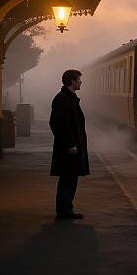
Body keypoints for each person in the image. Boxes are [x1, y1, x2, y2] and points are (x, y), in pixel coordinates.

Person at [49, 69, 89, 219]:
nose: (80, 82)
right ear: (72, 81)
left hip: (71, 147)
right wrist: (70, 144)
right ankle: (64, 210)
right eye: (78, 79)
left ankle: (66, 208)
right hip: (68, 149)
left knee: (70, 178)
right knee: (68, 178)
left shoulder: (68, 98)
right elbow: (58, 124)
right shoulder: (62, 99)